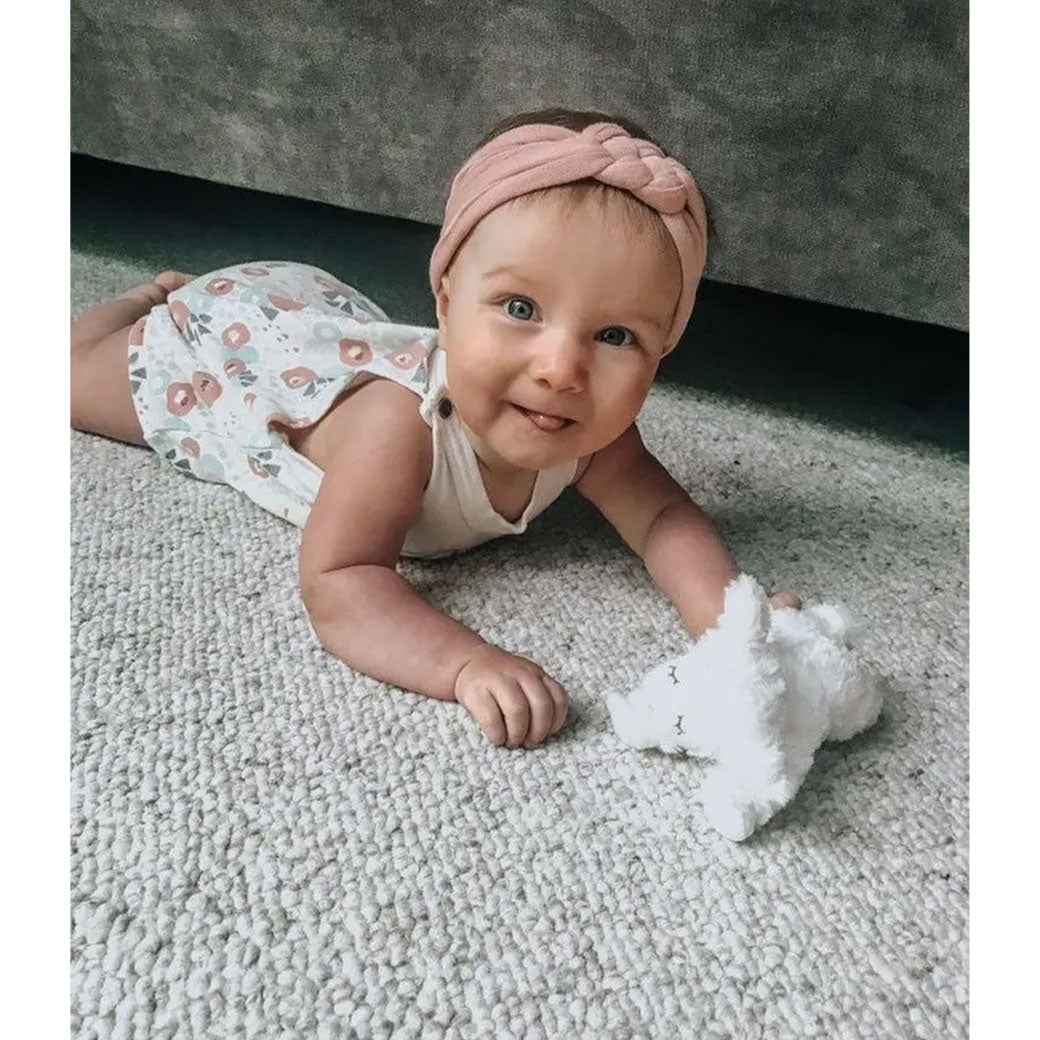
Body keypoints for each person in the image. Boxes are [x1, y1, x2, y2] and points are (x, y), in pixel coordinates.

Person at [70, 106, 802, 751]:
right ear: (446, 303)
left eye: (615, 336)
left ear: (662, 350)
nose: (561, 370)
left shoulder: (598, 435)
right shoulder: (399, 426)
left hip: (311, 316)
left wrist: (732, 620)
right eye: (520, 308)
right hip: (232, 358)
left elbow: (663, 518)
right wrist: (465, 664)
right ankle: (145, 298)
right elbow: (341, 581)